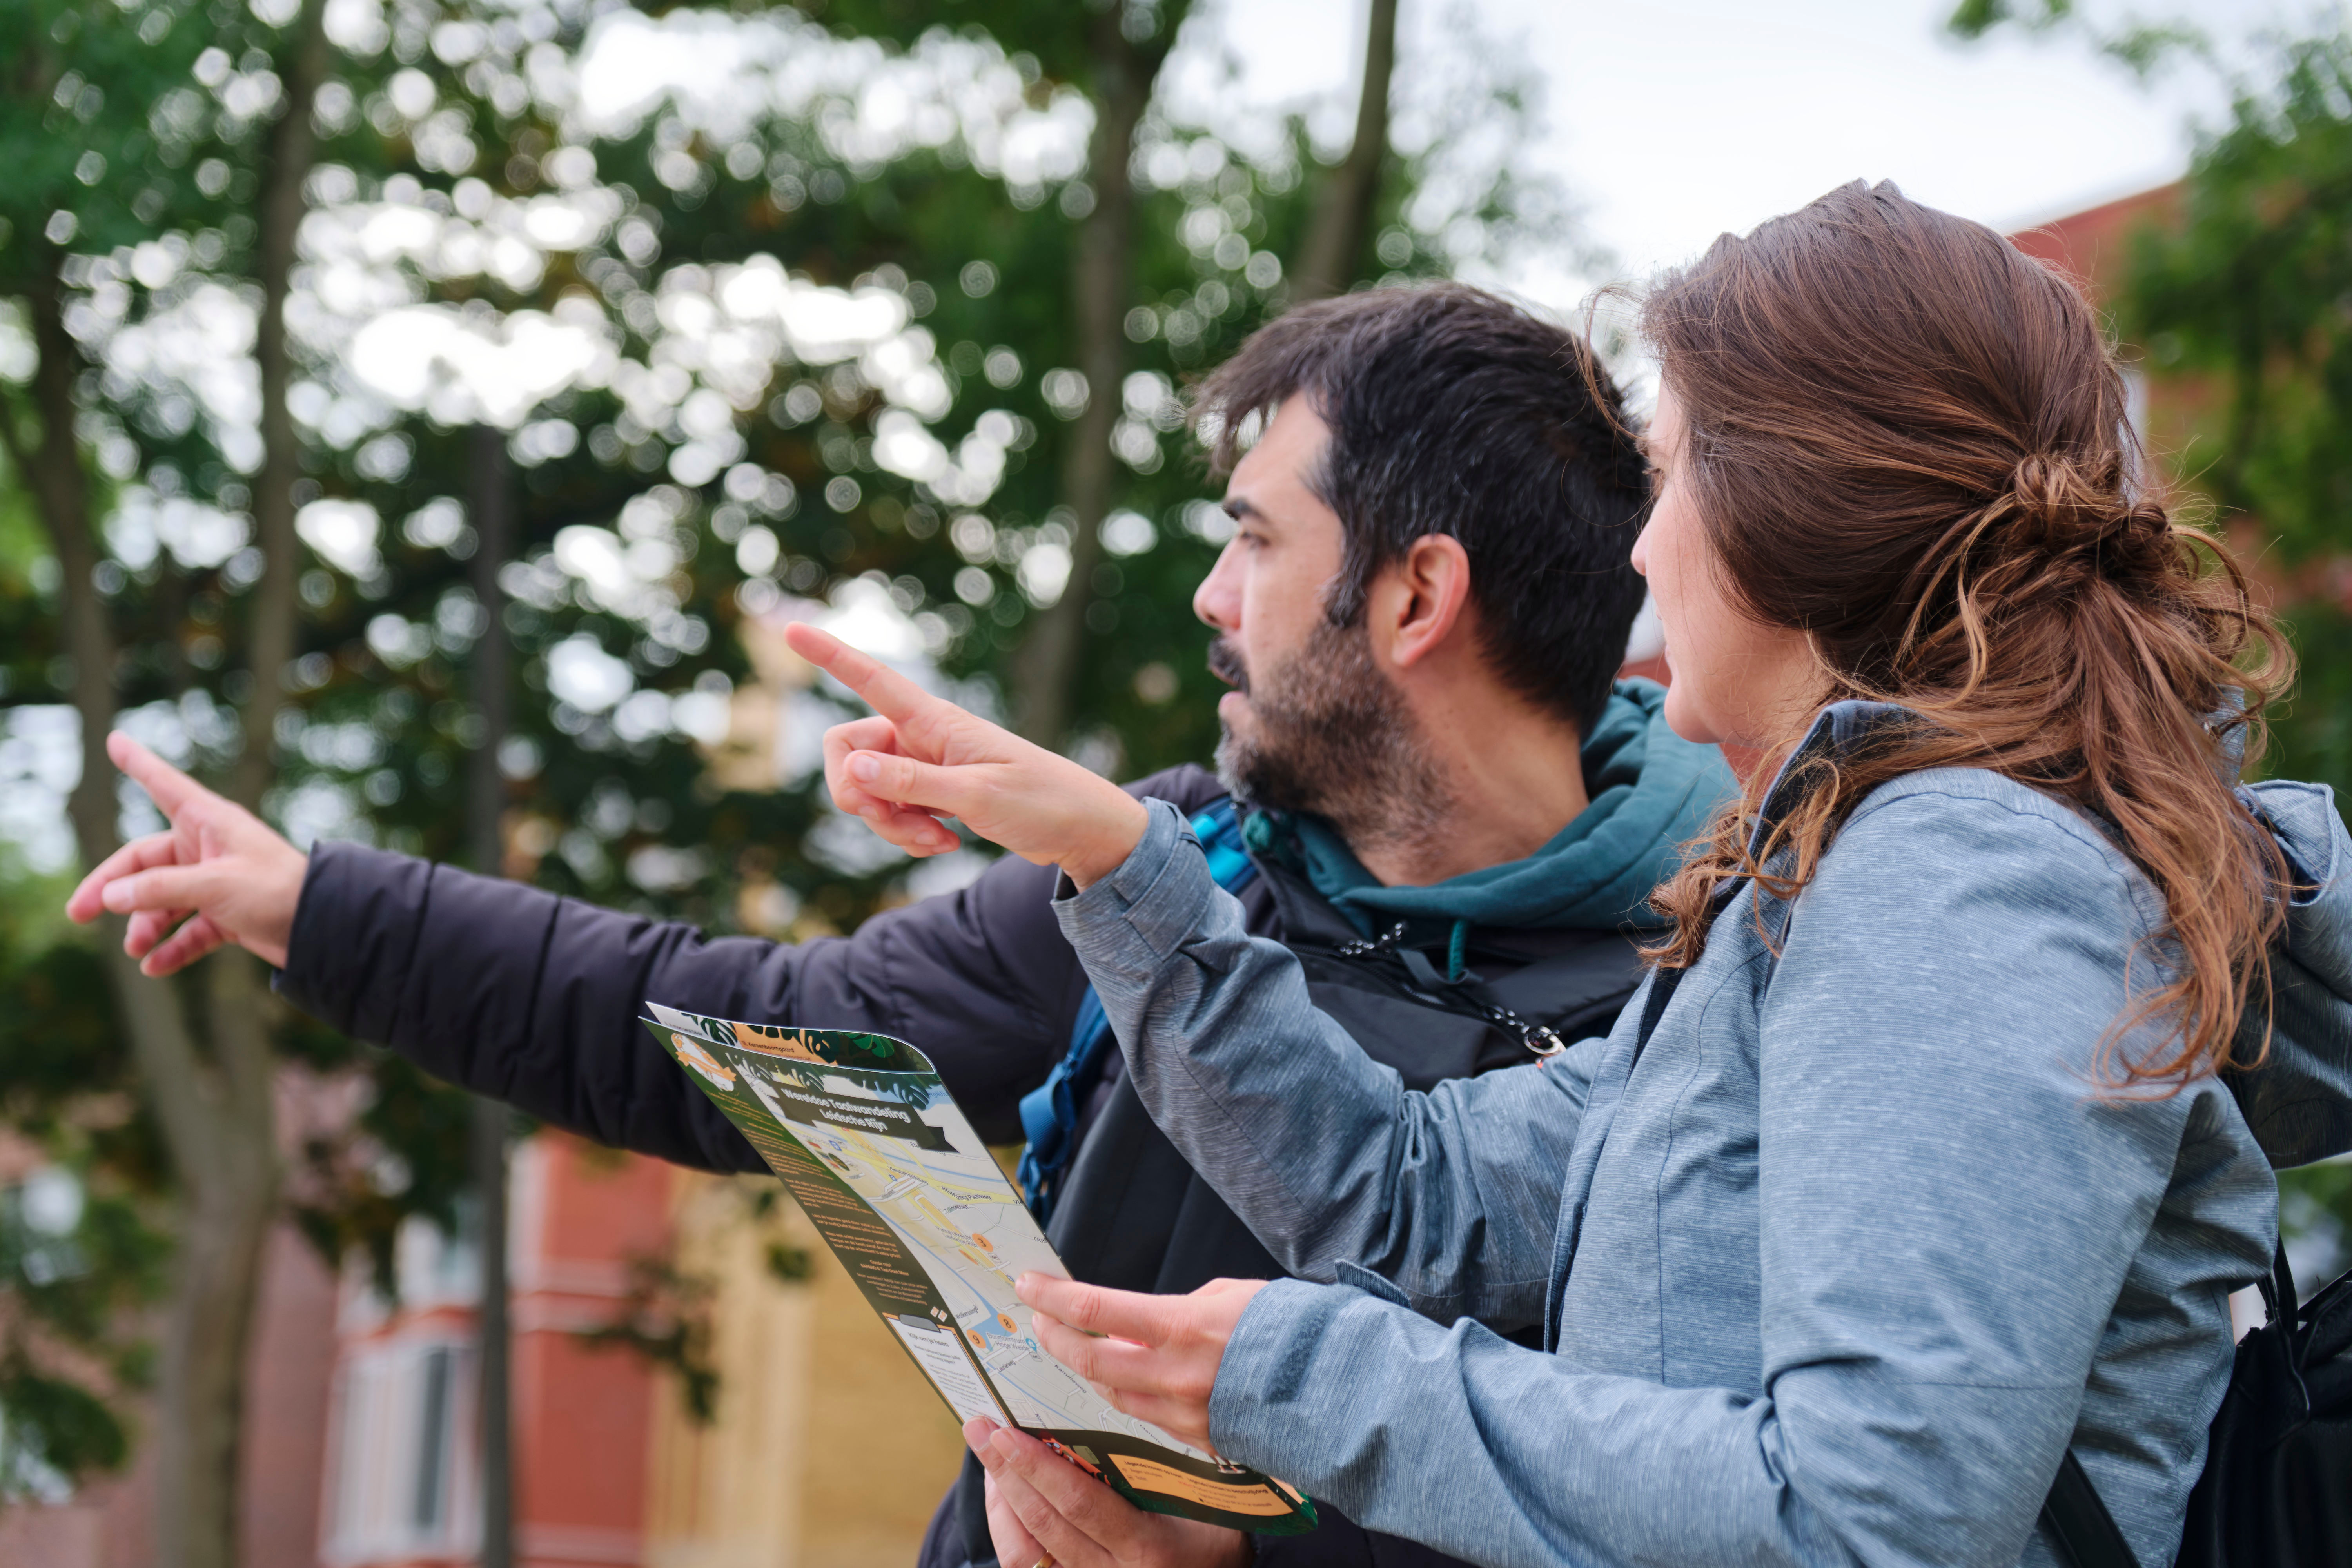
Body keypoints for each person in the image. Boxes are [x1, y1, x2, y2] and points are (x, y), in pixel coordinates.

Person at [782, 180, 2352, 1568]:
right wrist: (1118, 855)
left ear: (1781, 513)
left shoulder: (1957, 877)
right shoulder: (1844, 874)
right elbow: (1414, 1194)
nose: (1644, 551)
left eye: (1672, 478)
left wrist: (1304, 1375)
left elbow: (1872, 1521)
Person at [67, 285, 1735, 1568]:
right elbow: (739, 1031)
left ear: (1416, 598)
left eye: (1254, 539)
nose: (1214, 599)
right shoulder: (1167, 863)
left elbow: (1687, 1504)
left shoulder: (1702, 996)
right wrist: (321, 905)